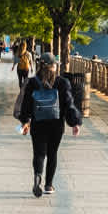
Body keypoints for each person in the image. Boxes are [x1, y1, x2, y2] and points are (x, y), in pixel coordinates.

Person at [15, 52, 81, 197]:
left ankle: (38, 175)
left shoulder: (32, 82)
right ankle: (48, 185)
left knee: (39, 153)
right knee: (52, 153)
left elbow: (26, 105)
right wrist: (75, 122)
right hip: (56, 124)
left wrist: (25, 121)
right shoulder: (62, 82)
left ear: (40, 65)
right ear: (54, 66)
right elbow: (69, 104)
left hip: (38, 123)